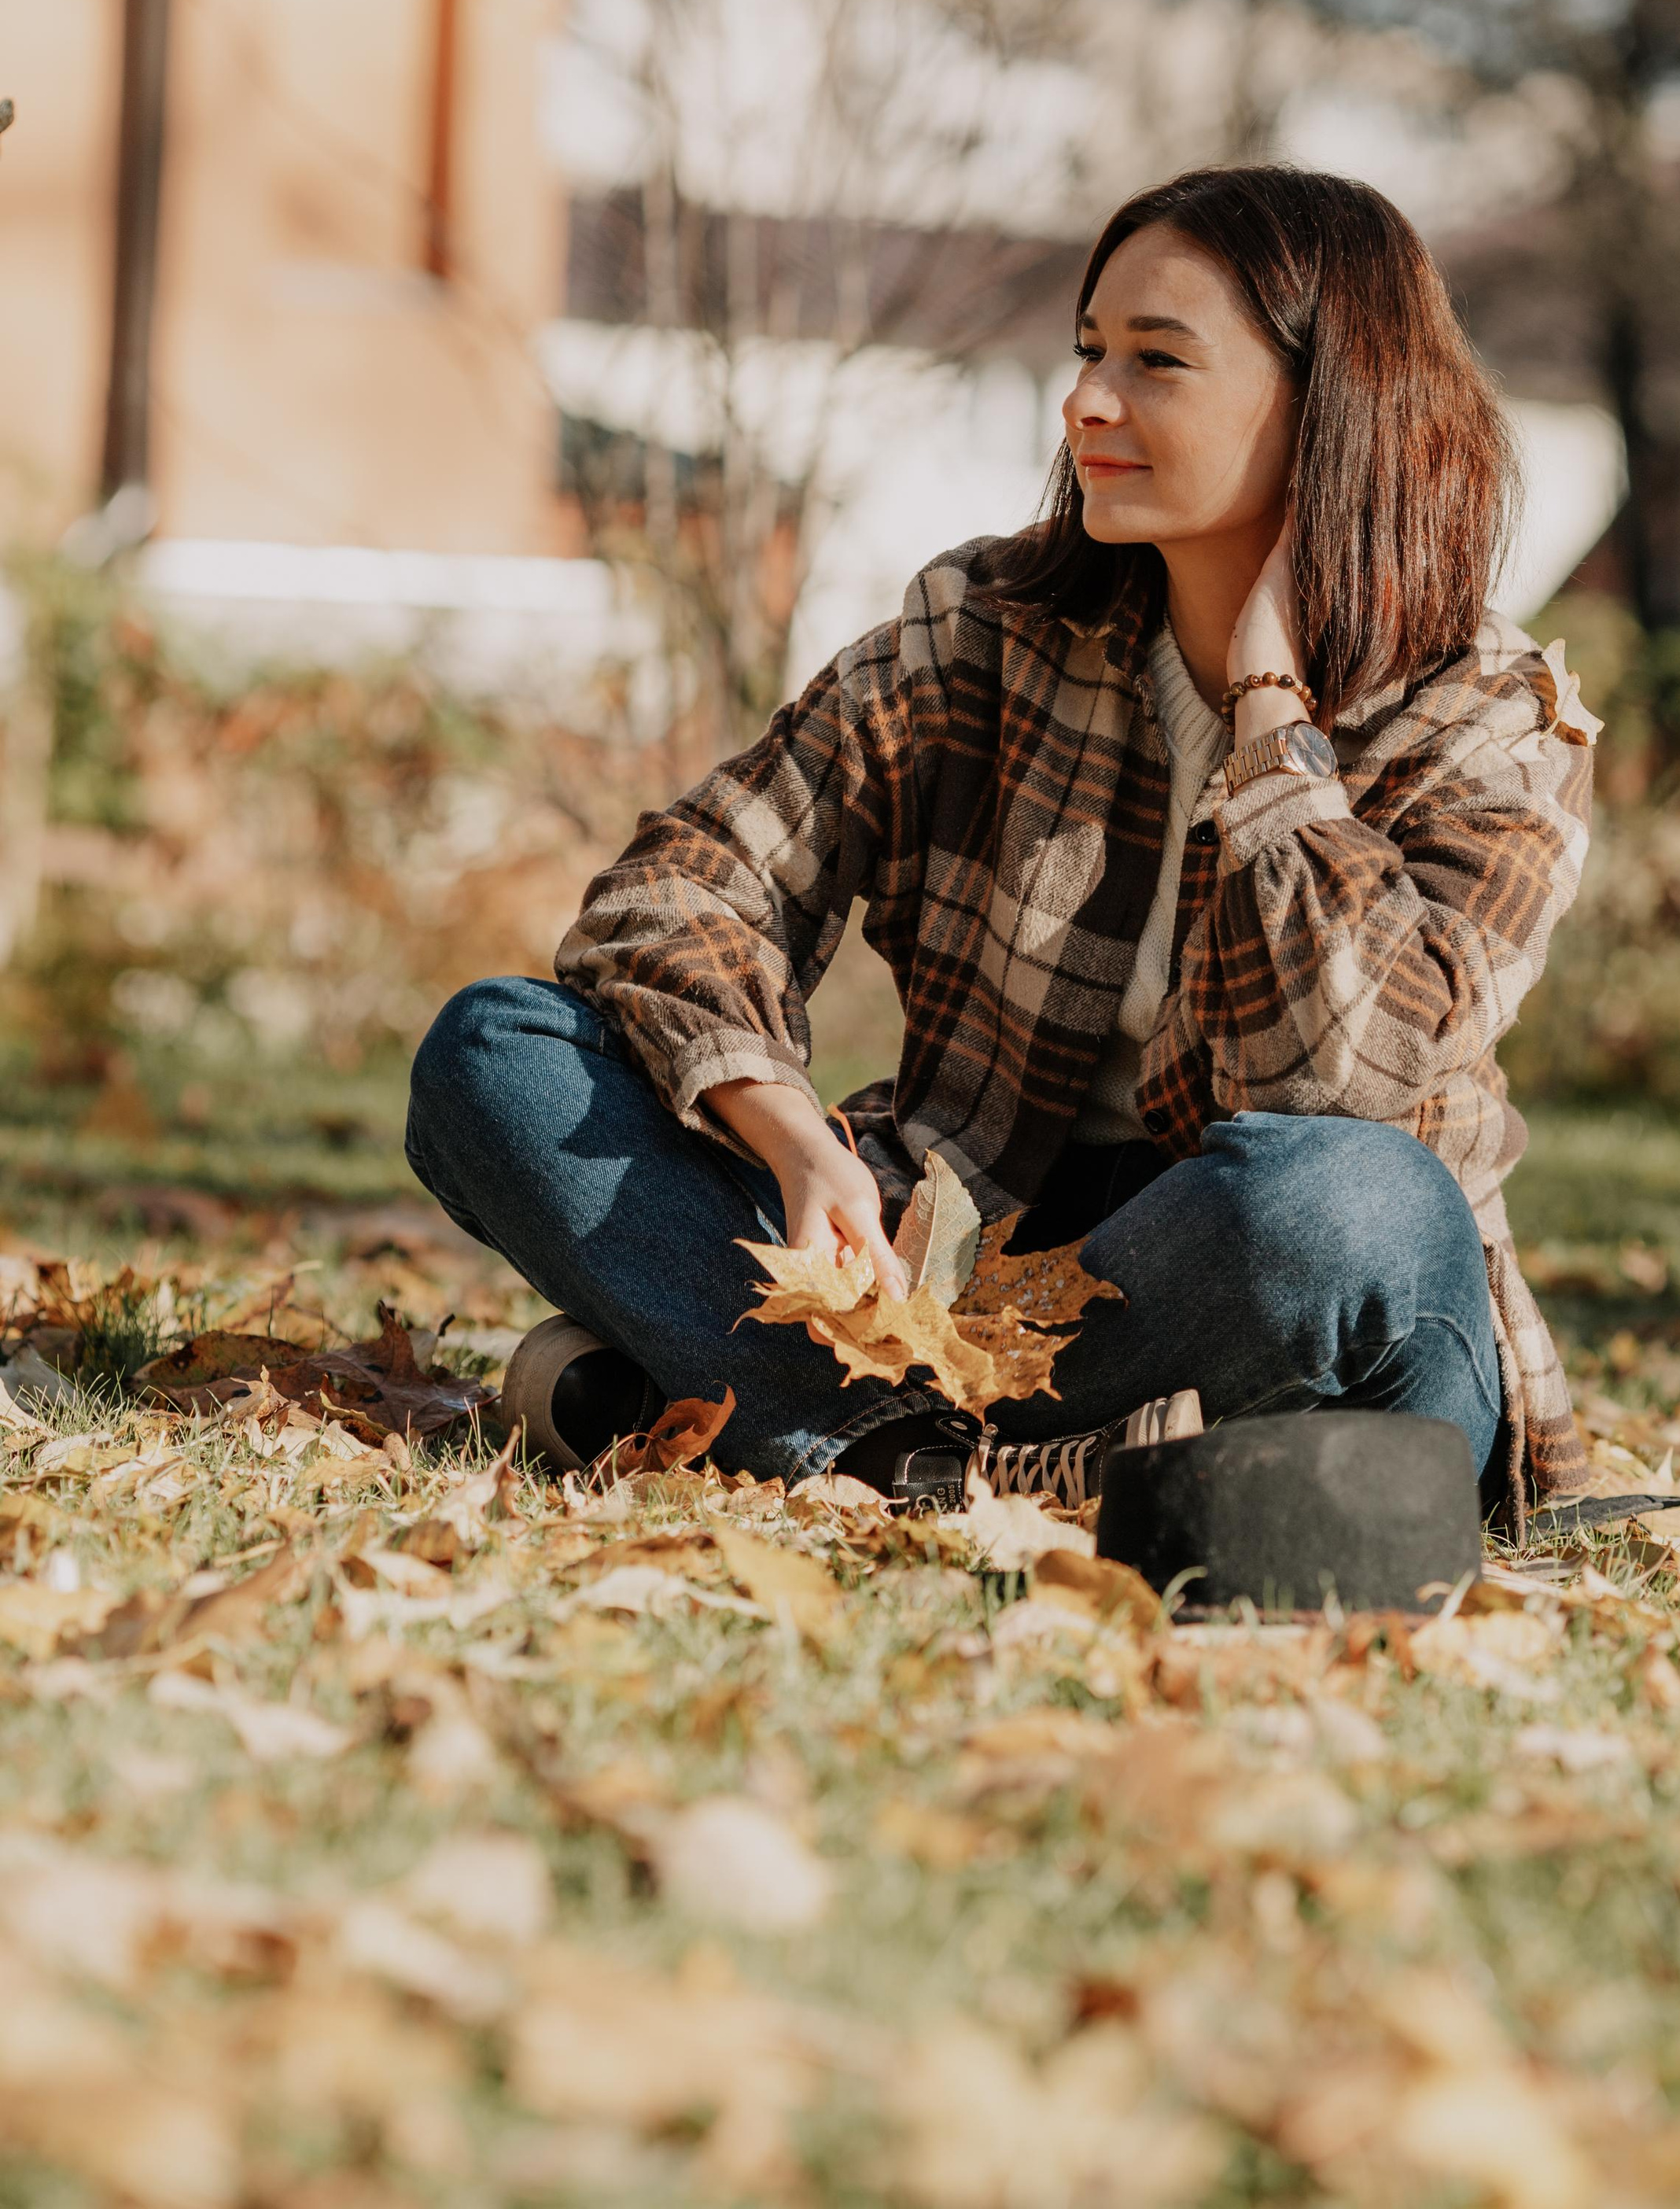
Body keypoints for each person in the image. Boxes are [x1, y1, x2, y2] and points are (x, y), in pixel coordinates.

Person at [406, 165, 1597, 1526]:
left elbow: (1349, 1079)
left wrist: (1272, 717)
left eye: (1157, 362)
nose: (1089, 401)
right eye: (1090, 351)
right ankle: (931, 1453)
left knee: (1349, 1201)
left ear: (1331, 405)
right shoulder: (985, 626)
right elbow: (680, 891)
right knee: (497, 1054)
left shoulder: (1492, 715)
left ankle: (745, 1412)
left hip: (1283, 1286)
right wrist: (793, 1138)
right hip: (963, 1284)